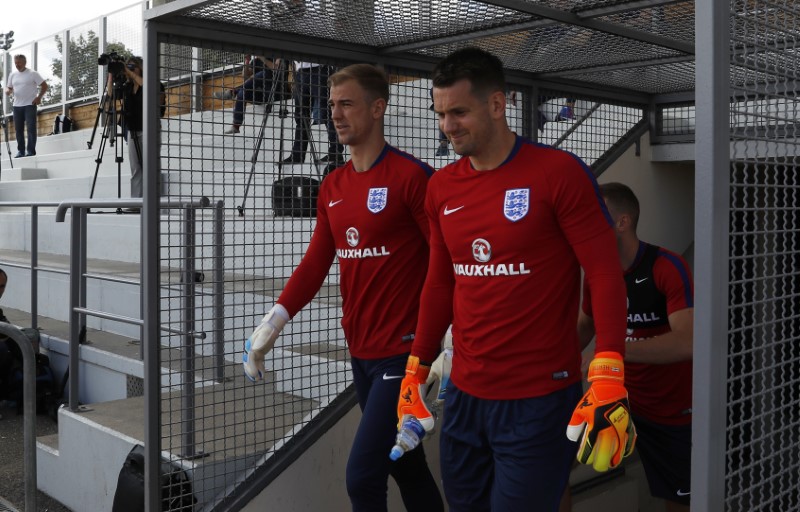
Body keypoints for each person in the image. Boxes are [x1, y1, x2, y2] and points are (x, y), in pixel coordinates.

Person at [394, 47, 635, 512]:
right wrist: (415, 368)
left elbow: (604, 273)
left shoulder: (559, 173)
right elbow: (440, 285)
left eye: (459, 112)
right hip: (463, 396)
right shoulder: (441, 188)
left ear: (498, 104)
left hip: (538, 399)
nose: (447, 126)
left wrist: (609, 367)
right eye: (440, 113)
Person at [242, 63, 443, 512]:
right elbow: (316, 263)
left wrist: (446, 340)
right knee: (406, 465)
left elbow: (447, 263)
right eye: (332, 104)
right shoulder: (332, 184)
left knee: (361, 476)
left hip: (405, 353)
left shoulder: (413, 177)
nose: (335, 114)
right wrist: (270, 326)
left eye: (346, 104)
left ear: (378, 108)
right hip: (361, 350)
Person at [577, 182, 693, 512]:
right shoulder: (596, 274)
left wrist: (612, 353)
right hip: (615, 404)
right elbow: (586, 326)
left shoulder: (667, 266)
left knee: (679, 498)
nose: (584, 226)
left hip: (669, 411)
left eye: (594, 217)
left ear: (622, 222)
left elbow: (688, 342)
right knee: (554, 466)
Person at [115, 56, 166, 207]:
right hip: (132, 129)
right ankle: (136, 203)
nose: (129, 70)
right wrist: (111, 76)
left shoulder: (154, 83)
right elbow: (112, 95)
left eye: (132, 66)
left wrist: (131, 73)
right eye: (128, 67)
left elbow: (151, 92)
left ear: (141, 68)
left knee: (150, 166)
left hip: (149, 128)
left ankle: (153, 203)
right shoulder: (128, 87)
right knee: (136, 168)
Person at [282, 61, 344, 166]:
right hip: (300, 70)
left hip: (318, 68)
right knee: (301, 116)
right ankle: (298, 154)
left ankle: (335, 151)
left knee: (327, 112)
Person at [216, 55, 287, 134]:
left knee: (264, 74)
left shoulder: (277, 55)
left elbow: (277, 69)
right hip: (260, 96)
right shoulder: (256, 61)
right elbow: (245, 75)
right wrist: (247, 60)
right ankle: (236, 126)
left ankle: (233, 92)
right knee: (242, 91)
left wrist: (263, 58)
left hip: (275, 93)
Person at [4, 54, 48, 158]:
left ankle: (31, 151)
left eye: (18, 62)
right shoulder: (12, 75)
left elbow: (45, 86)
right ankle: (21, 151)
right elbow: (9, 87)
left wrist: (39, 97)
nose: (17, 65)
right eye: (15, 63)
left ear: (24, 62)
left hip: (30, 104)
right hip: (17, 106)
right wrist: (7, 91)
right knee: (18, 129)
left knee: (31, 128)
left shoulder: (33, 74)